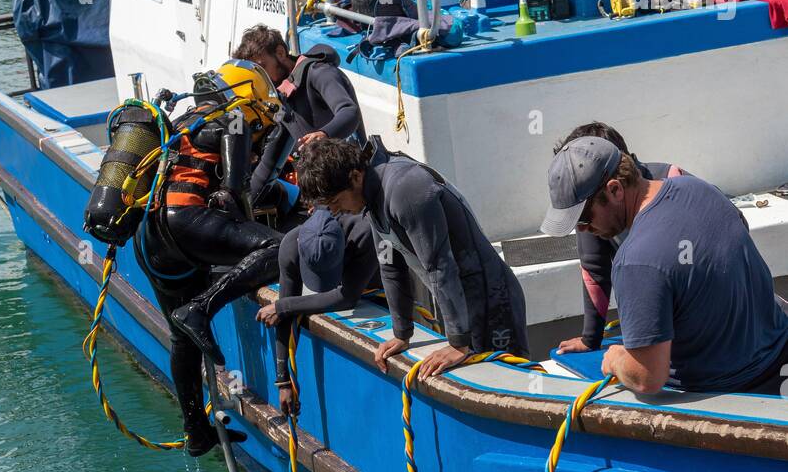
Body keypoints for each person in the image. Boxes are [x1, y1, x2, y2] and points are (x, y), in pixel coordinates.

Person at [541, 136, 788, 395]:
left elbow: (647, 378)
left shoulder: (636, 261)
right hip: (778, 356)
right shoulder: (699, 188)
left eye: (583, 218)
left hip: (729, 388)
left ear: (615, 190)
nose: (583, 230)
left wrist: (616, 359)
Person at [135, 61, 285, 456]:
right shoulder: (234, 119)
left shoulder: (183, 119)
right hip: (186, 221)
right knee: (278, 248)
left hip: (150, 238)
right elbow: (234, 196)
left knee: (180, 341)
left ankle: (196, 431)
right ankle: (201, 309)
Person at [296, 136, 528, 379]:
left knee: (511, 383)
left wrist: (458, 343)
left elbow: (440, 266)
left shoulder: (405, 189)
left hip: (494, 301)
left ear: (355, 176)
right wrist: (401, 333)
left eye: (335, 202)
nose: (334, 211)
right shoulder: (373, 195)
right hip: (463, 302)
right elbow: (390, 266)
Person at [553, 122, 686, 355]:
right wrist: (590, 338)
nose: (584, 227)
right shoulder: (592, 210)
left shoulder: (674, 180)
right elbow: (594, 271)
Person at [257, 207, 382, 416]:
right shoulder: (291, 245)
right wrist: (283, 381)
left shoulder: (363, 232)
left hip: (374, 283)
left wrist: (282, 306)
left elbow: (347, 297)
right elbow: (284, 318)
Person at [233, 25, 367, 149]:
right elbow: (271, 160)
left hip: (349, 168)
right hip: (316, 171)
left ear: (280, 53)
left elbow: (349, 111)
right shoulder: (281, 96)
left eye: (262, 67)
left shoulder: (319, 72)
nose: (260, 77)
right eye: (256, 72)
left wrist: (324, 134)